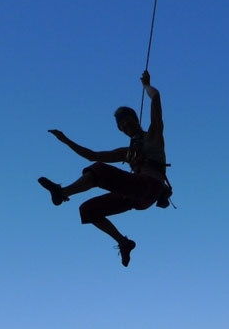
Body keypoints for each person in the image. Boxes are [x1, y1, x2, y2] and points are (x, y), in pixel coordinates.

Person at [38, 70, 169, 267]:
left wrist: (146, 86)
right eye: (122, 126)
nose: (126, 126)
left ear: (136, 119)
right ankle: (124, 243)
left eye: (128, 121)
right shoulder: (126, 152)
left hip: (150, 186)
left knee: (99, 170)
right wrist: (65, 140)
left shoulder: (153, 135)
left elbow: (156, 98)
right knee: (88, 210)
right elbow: (93, 155)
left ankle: (62, 192)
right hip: (136, 197)